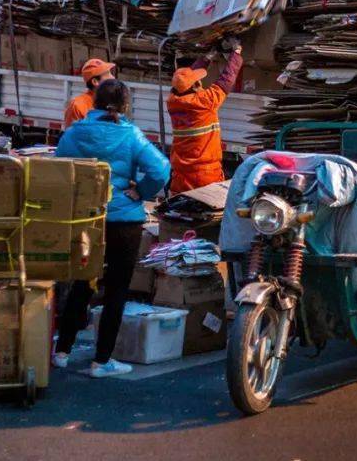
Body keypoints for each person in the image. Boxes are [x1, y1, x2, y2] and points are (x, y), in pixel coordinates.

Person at [53, 79, 170, 378]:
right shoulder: (131, 134)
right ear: (126, 105)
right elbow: (160, 169)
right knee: (116, 290)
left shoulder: (74, 133)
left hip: (85, 220)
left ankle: (62, 351)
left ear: (93, 102)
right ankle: (102, 360)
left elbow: (59, 168)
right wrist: (141, 191)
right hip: (124, 223)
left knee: (81, 281)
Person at [166, 39, 243, 194]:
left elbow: (185, 80)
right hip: (205, 174)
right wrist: (236, 53)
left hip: (181, 174)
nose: (200, 82)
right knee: (208, 213)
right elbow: (226, 80)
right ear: (194, 86)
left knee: (180, 210)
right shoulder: (204, 102)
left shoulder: (172, 101)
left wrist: (208, 57)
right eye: (198, 81)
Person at [64, 58, 115, 128]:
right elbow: (71, 136)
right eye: (108, 74)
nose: (113, 77)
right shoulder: (78, 106)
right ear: (95, 82)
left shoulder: (112, 102)